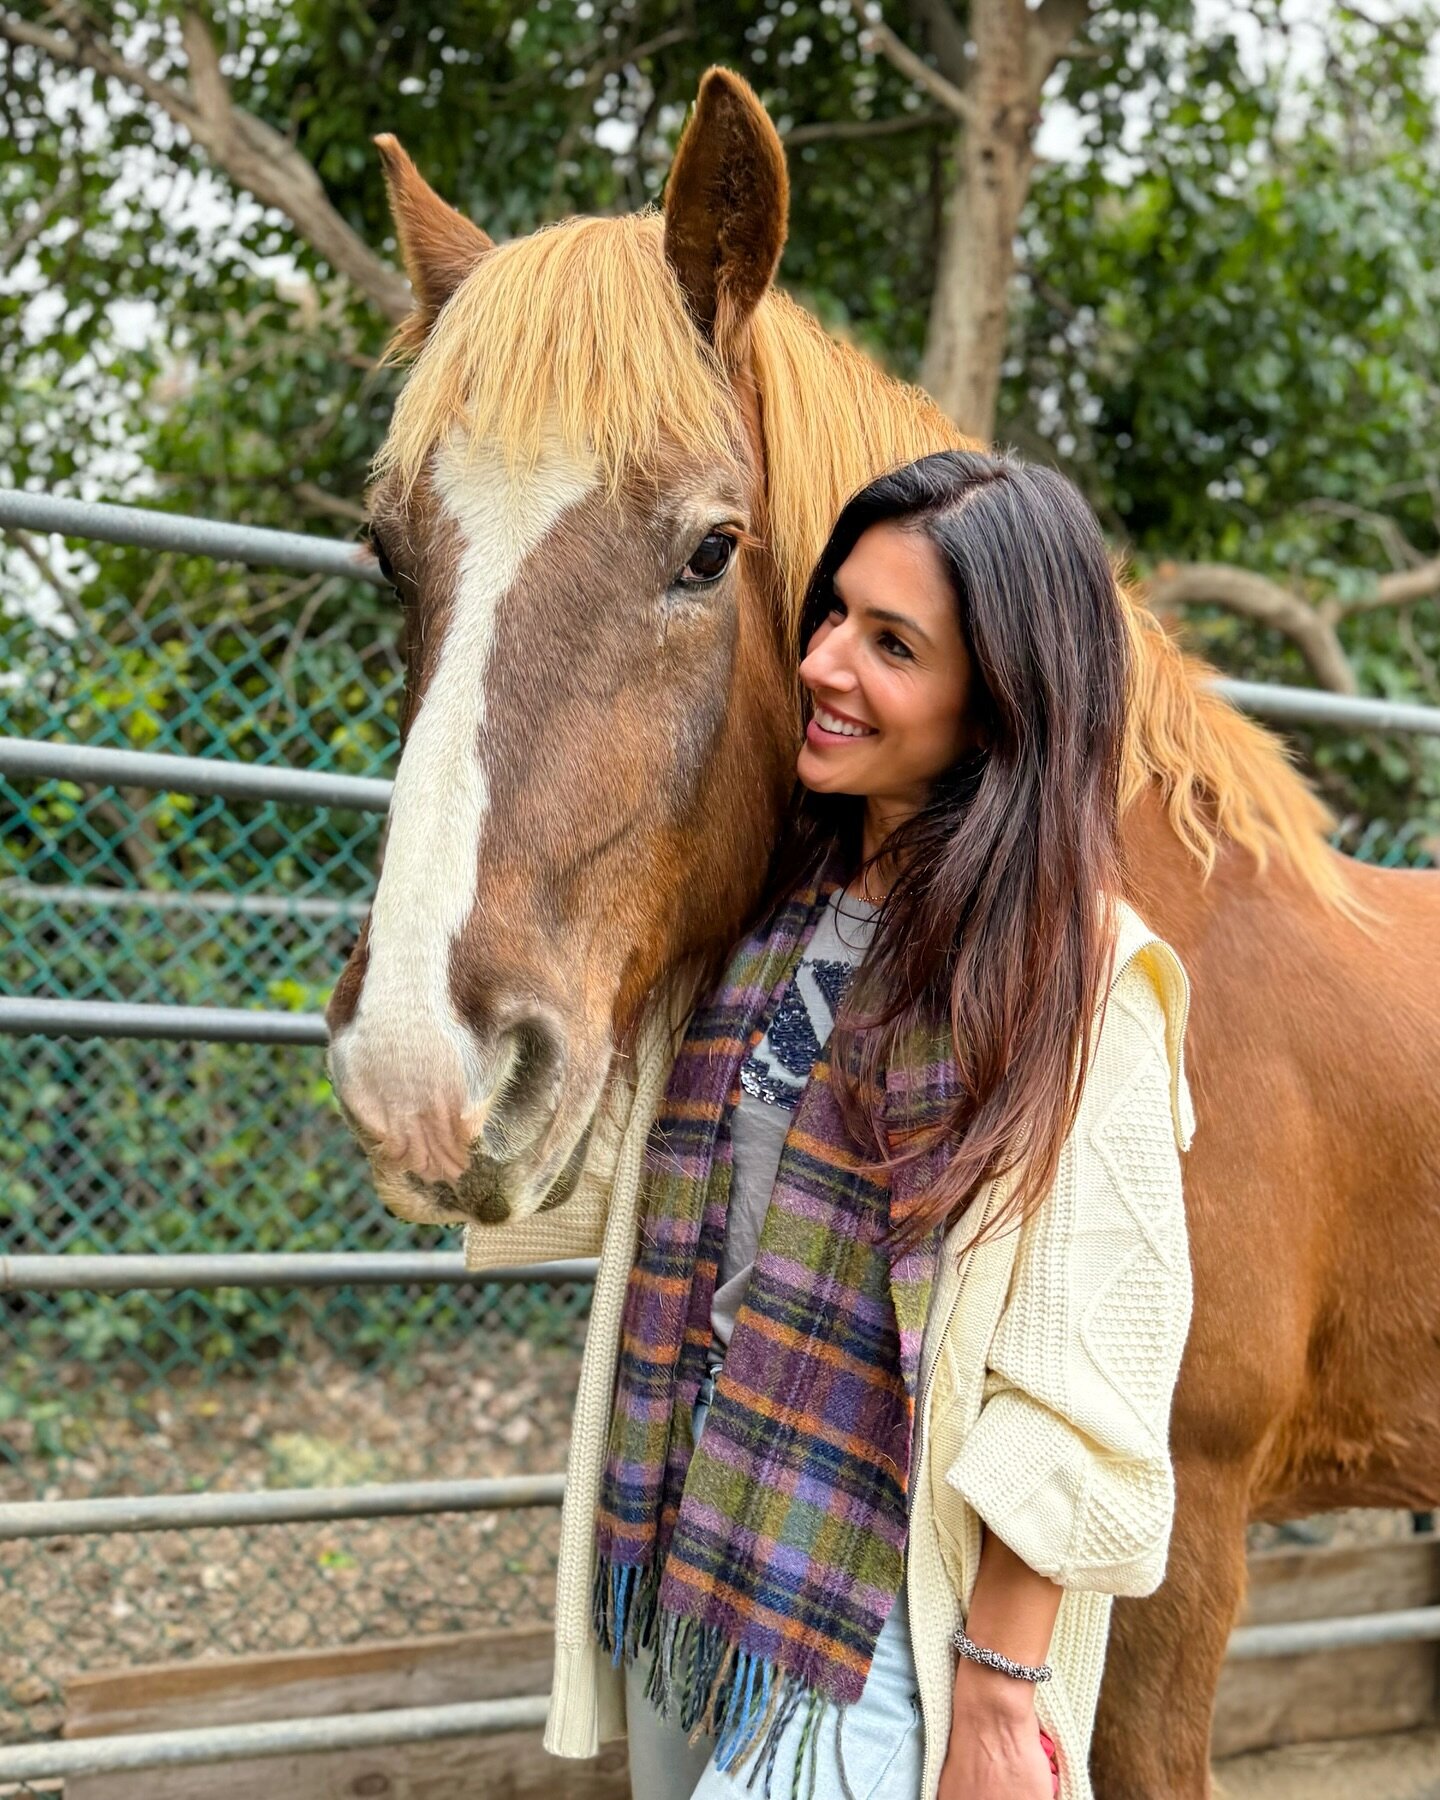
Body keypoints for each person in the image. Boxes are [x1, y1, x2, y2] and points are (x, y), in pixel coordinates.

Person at [518, 449, 1197, 1800]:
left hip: (874, 1614)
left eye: (893, 644)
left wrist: (1000, 1700)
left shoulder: (1076, 983)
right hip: (693, 1550)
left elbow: (1082, 1385)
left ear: (1002, 697)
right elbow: (616, 1184)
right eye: (834, 613)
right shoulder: (762, 914)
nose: (826, 662)